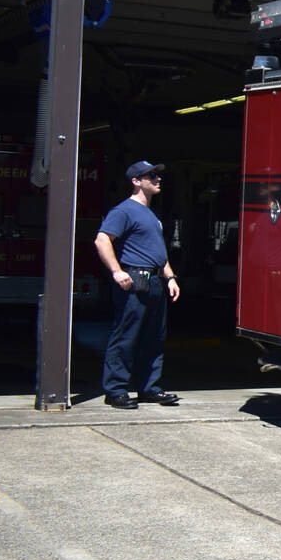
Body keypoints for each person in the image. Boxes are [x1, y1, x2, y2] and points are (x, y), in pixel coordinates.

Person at [94, 160, 181, 409]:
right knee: (126, 336)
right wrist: (116, 272)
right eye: (151, 175)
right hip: (133, 280)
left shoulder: (152, 214)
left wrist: (170, 278)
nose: (158, 179)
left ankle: (149, 388)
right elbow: (102, 240)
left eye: (158, 176)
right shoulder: (123, 211)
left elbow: (158, 252)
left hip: (155, 282)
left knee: (154, 337)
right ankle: (116, 391)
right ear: (136, 181)